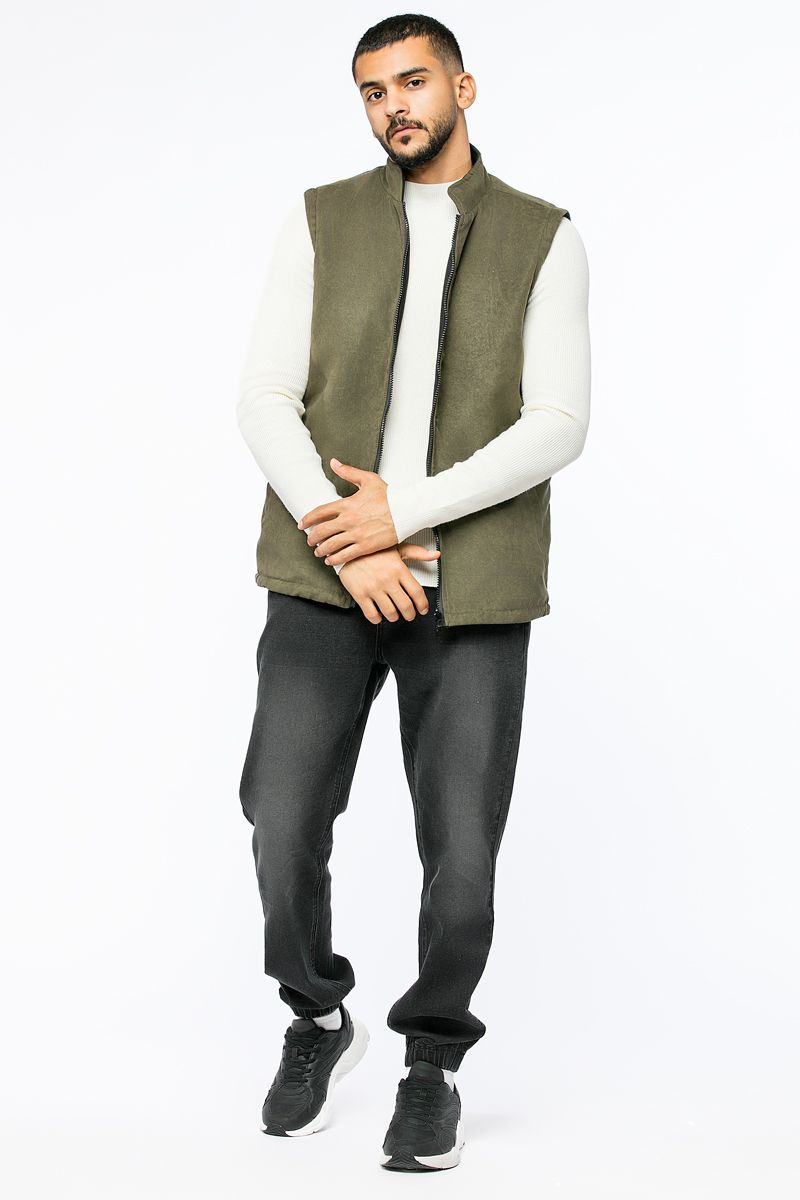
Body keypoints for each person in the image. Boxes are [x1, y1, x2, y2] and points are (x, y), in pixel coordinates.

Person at [236, 12, 590, 1172]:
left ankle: (431, 1059)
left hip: (470, 589)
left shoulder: (543, 235)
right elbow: (264, 398)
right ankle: (315, 1013)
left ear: (461, 88)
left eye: (411, 82)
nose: (393, 105)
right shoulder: (319, 218)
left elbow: (557, 423)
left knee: (463, 854)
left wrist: (407, 512)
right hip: (324, 577)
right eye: (372, 90)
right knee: (279, 814)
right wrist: (352, 543)